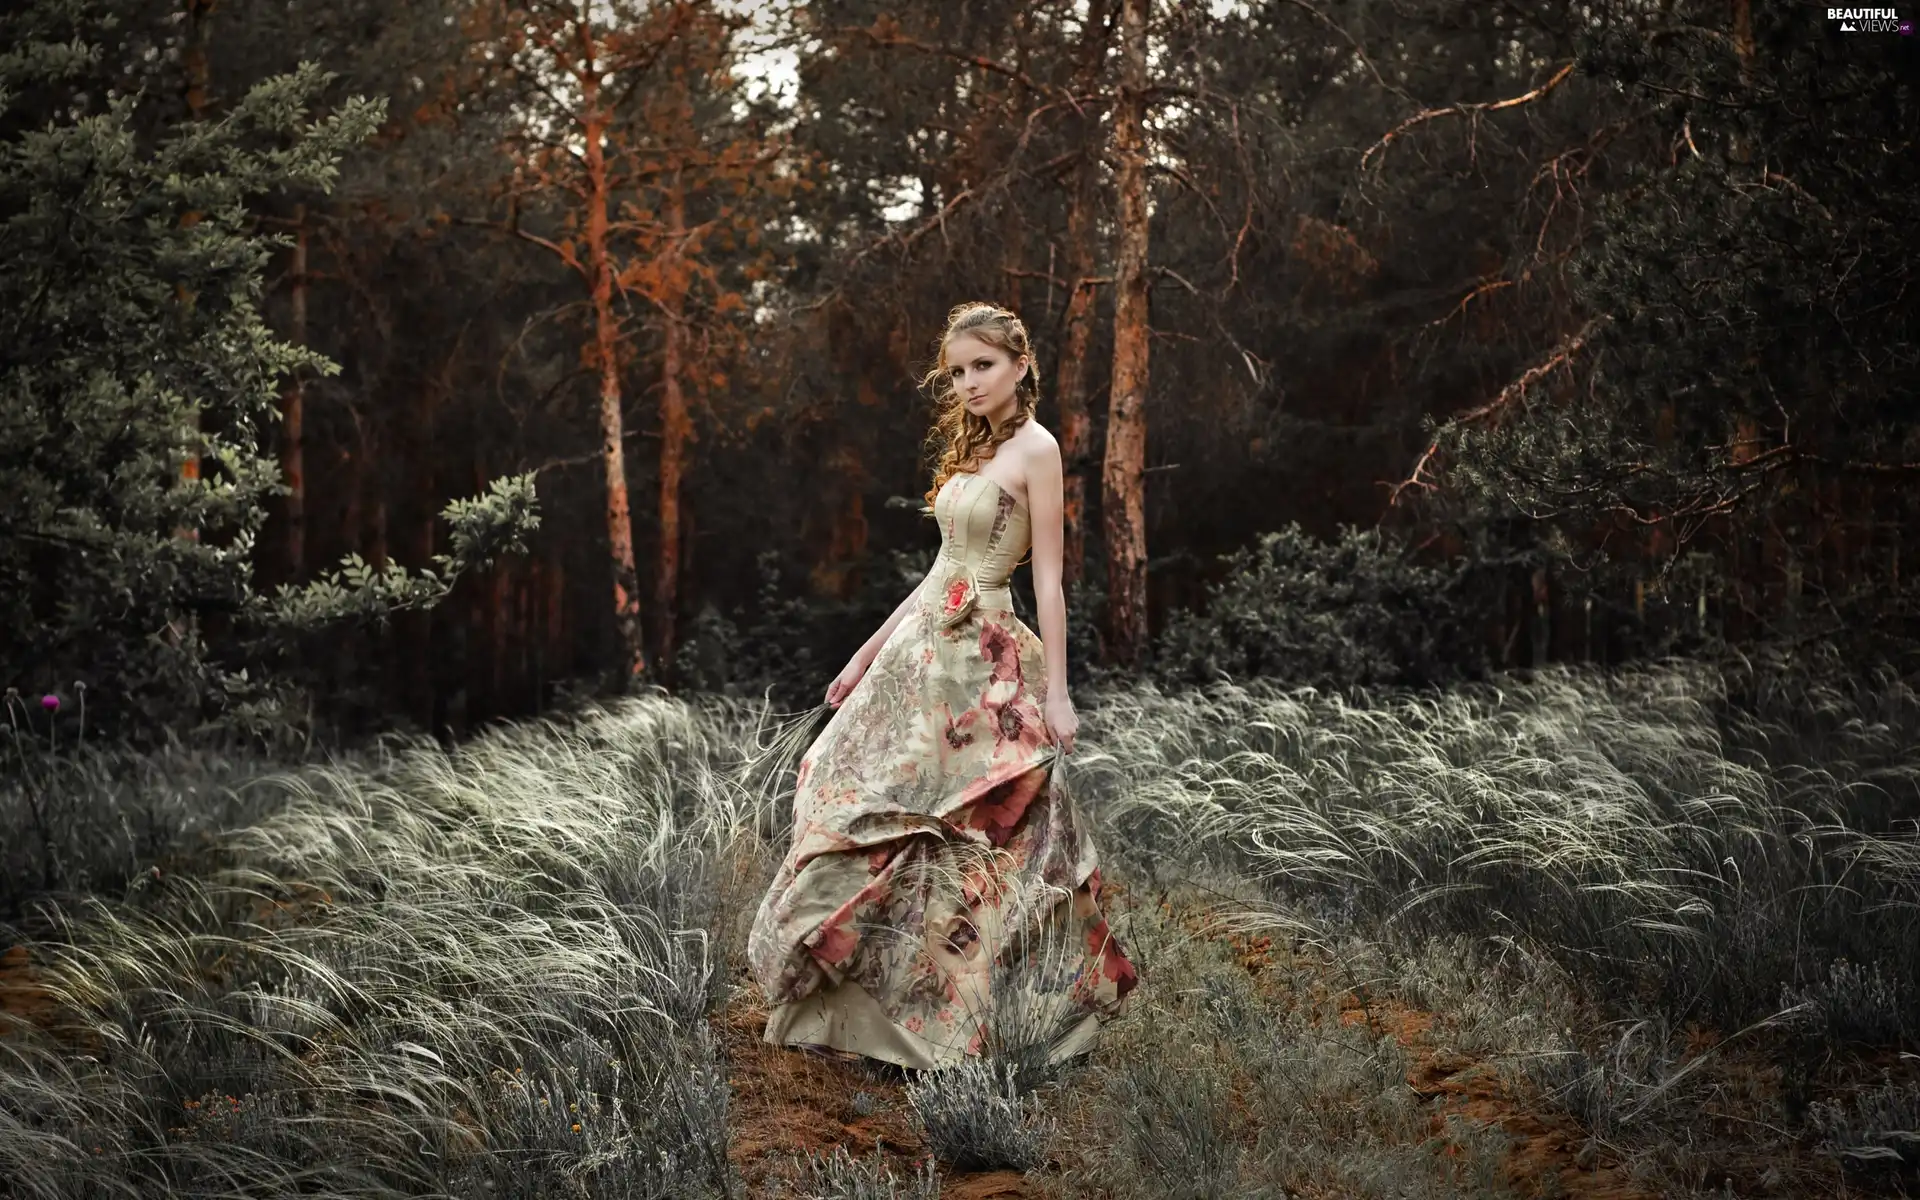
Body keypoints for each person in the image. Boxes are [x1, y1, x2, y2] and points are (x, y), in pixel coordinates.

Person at [746, 301, 1138, 1072]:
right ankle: (853, 1010)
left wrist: (1058, 692)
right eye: (957, 371)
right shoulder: (975, 448)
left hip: (984, 669)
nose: (967, 383)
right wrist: (863, 657)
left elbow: (1051, 583)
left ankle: (982, 1023)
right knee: (867, 805)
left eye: (982, 366)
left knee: (985, 836)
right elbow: (937, 575)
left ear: (1022, 366)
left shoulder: (1038, 449)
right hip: (921, 664)